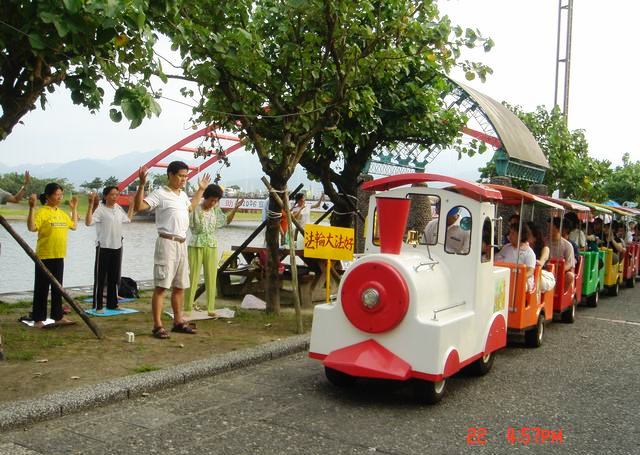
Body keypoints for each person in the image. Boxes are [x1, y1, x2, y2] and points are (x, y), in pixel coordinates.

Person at [134, 162, 211, 339]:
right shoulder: (160, 193)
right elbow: (139, 207)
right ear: (170, 175)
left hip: (182, 243)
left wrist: (200, 190)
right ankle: (157, 326)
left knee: (180, 286)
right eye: (181, 176)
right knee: (161, 286)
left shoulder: (182, 195)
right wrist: (142, 185)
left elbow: (190, 207)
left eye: (186, 176)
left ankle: (178, 322)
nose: (184, 179)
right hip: (167, 242)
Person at [184, 185, 243, 316]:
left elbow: (226, 221)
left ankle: (210, 308)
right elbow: (184, 220)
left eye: (216, 201)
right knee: (192, 276)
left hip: (211, 245)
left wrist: (235, 209)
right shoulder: (195, 208)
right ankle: (187, 308)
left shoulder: (215, 210)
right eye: (211, 200)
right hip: (196, 244)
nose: (213, 203)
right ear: (205, 197)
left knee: (211, 276)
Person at [27, 183, 78, 328]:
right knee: (41, 288)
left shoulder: (61, 213)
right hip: (44, 256)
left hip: (59, 255)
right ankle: (38, 319)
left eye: (61, 195)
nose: (59, 197)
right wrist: (31, 208)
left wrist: (74, 209)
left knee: (58, 288)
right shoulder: (42, 212)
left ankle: (58, 316)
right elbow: (31, 227)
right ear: (48, 196)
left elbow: (74, 226)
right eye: (57, 195)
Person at [85, 187, 134, 312]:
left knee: (114, 277)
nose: (115, 197)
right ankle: (98, 305)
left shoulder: (118, 208)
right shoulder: (100, 210)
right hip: (103, 247)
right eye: (112, 194)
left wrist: (132, 205)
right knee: (100, 278)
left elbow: (128, 219)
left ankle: (113, 304)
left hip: (117, 246)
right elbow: (88, 222)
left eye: (117, 194)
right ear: (105, 196)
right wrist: (90, 205)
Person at [495, 222, 537, 292]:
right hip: (506, 278)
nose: (509, 236)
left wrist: (519, 278)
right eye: (510, 233)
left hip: (522, 281)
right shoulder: (506, 247)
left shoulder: (529, 252)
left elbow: (530, 271)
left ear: (521, 236)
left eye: (513, 234)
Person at [548, 217, 576, 292]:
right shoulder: (545, 242)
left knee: (570, 276)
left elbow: (569, 263)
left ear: (558, 229)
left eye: (550, 227)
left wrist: (558, 269)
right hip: (547, 270)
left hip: (560, 272)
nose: (548, 229)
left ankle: (561, 292)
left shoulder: (567, 245)